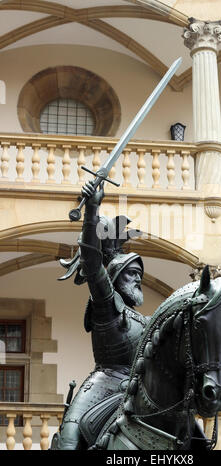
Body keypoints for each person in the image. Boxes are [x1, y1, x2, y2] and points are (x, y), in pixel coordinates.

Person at [51, 181, 149, 450]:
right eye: (132, 273)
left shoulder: (148, 321)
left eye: (140, 274)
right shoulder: (107, 304)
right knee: (69, 439)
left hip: (139, 389)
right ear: (115, 279)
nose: (138, 278)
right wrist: (92, 208)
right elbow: (93, 264)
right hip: (104, 383)